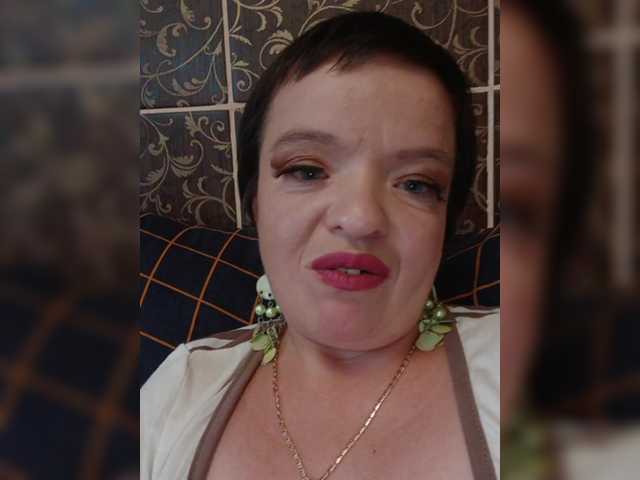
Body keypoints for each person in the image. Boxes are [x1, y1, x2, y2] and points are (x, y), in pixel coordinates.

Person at [141, 12, 499, 480]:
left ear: (446, 221)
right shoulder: (179, 390)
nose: (360, 219)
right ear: (255, 202)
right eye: (307, 170)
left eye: (416, 184)